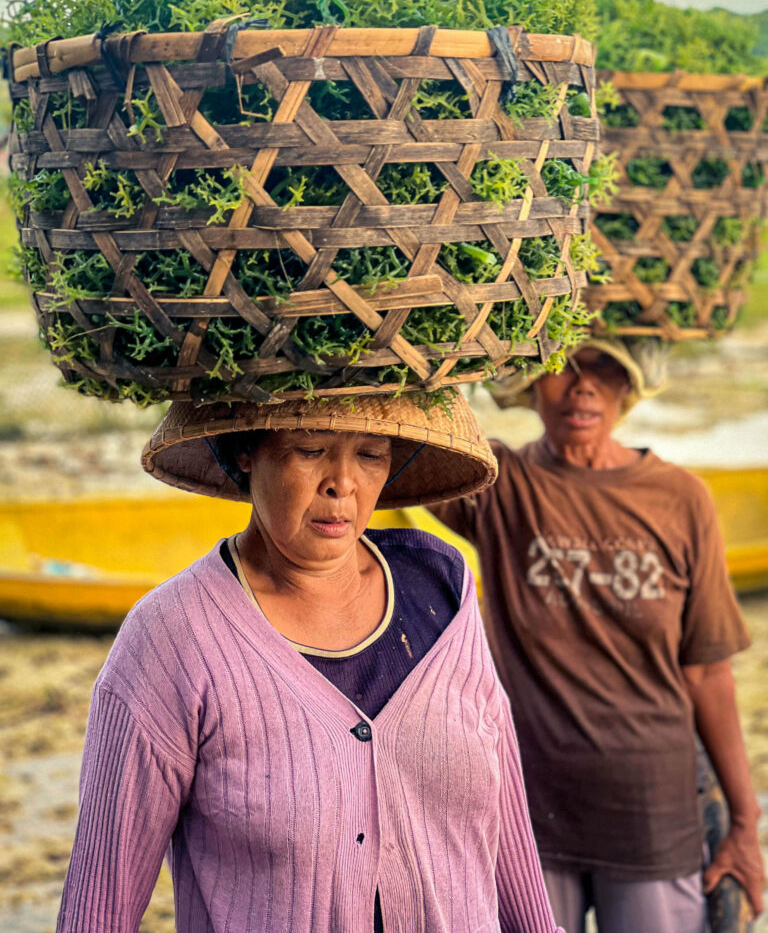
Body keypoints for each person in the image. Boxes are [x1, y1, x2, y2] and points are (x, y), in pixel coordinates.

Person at [56, 391, 565, 933]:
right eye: (310, 449)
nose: (342, 483)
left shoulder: (441, 587)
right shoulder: (173, 637)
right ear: (246, 449)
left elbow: (505, 824)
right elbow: (98, 911)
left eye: (370, 454)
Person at [429, 339, 765, 933]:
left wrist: (743, 824)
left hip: (650, 813)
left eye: (607, 370)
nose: (583, 386)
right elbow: (413, 435)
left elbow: (708, 672)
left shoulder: (680, 498)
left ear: (629, 387)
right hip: (526, 811)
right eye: (563, 367)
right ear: (530, 384)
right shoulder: (499, 484)